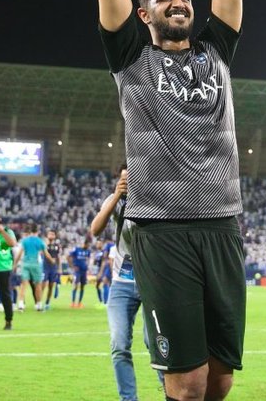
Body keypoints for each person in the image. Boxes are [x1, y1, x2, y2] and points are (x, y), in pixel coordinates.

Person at [96, 0, 246, 400]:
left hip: (223, 223)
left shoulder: (217, 52)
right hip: (161, 229)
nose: (179, 3)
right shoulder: (132, 57)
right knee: (184, 384)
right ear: (144, 13)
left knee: (220, 379)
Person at [90, 163, 165, 401]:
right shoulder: (116, 202)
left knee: (153, 342)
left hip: (152, 282)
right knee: (119, 344)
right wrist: (117, 195)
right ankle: (128, 399)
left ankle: (172, 393)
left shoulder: (156, 201)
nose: (128, 183)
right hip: (122, 282)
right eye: (124, 179)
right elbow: (95, 229)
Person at [13, 222, 54, 312]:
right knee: (38, 285)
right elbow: (46, 254)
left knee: (24, 285)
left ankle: (20, 304)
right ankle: (38, 305)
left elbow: (19, 254)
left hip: (26, 264)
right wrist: (52, 261)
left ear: (30, 231)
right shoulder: (40, 241)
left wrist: (15, 264)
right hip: (36, 264)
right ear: (37, 231)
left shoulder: (25, 241)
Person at [42, 229, 62, 310]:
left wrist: (59, 268)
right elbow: (42, 252)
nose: (51, 236)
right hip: (45, 267)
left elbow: (58, 257)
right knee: (42, 285)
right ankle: (39, 302)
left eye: (53, 234)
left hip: (53, 268)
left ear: (55, 236)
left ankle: (47, 303)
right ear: (47, 235)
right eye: (50, 234)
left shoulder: (57, 246)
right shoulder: (44, 244)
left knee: (51, 286)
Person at [68, 237, 91, 309]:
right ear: (84, 244)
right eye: (87, 245)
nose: (88, 246)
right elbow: (68, 256)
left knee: (82, 286)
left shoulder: (88, 251)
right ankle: (73, 302)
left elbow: (88, 259)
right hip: (77, 271)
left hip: (84, 271)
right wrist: (72, 266)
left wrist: (87, 266)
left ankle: (79, 303)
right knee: (75, 285)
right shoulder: (76, 249)